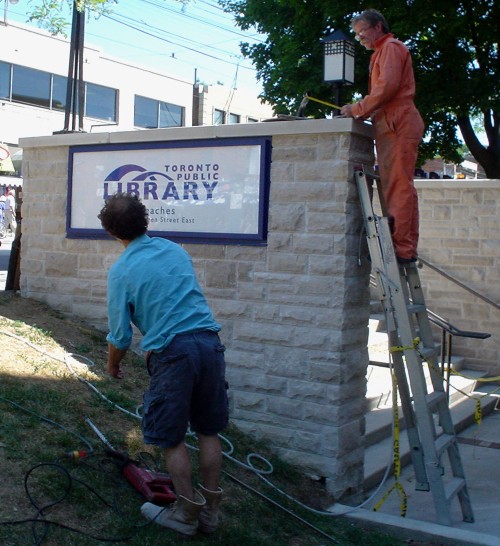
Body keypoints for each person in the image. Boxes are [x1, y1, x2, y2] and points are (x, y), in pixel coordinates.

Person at [98, 192, 229, 537]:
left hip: (175, 353)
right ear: (145, 222)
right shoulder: (174, 249)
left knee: (171, 438)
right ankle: (211, 515)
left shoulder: (121, 270)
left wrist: (112, 367)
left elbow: (120, 336)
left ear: (111, 232)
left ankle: (185, 515)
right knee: (208, 431)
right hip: (209, 343)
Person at [340, 9, 425, 263]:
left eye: (362, 31)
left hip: (398, 121)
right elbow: (384, 92)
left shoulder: (391, 48)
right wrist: (365, 110)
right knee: (393, 186)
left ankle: (403, 249)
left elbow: (387, 87)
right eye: (357, 34)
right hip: (391, 123)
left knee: (398, 186)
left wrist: (356, 109)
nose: (360, 37)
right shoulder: (382, 51)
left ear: (378, 26)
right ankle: (401, 245)